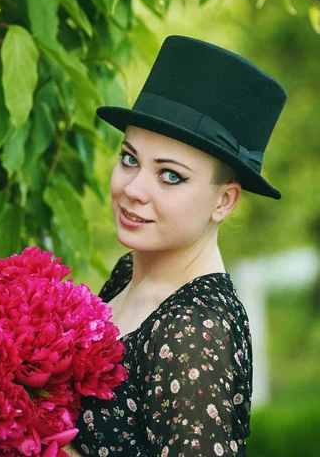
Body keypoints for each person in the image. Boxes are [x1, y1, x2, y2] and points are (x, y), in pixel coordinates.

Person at [68, 36, 287, 457]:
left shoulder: (195, 332)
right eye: (130, 158)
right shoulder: (128, 271)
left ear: (224, 201)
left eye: (170, 176)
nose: (133, 189)